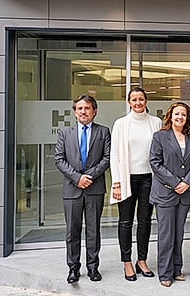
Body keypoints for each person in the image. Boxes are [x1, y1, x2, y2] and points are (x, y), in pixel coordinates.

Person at [54, 94, 111, 284]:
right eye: (79, 108)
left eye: (87, 108)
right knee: (72, 231)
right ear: (75, 112)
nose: (83, 112)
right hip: (72, 189)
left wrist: (90, 177)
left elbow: (107, 158)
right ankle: (73, 268)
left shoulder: (103, 132)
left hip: (94, 189)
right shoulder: (64, 133)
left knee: (93, 230)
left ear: (94, 111)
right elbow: (59, 159)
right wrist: (77, 178)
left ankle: (93, 267)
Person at [109, 87, 162, 281]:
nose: (138, 103)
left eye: (141, 99)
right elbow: (114, 155)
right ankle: (127, 262)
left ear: (146, 101)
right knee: (125, 221)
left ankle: (142, 259)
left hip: (149, 177)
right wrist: (116, 183)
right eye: (134, 99)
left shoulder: (155, 122)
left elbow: (160, 150)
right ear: (129, 102)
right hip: (126, 177)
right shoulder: (121, 124)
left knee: (145, 221)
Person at [149, 102, 190, 287]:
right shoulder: (160, 136)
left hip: (184, 193)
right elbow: (155, 162)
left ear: (188, 118)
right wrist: (175, 182)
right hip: (165, 192)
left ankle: (177, 269)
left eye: (184, 115)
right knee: (166, 235)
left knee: (178, 234)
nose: (180, 117)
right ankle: (165, 273)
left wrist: (187, 182)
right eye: (177, 114)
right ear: (170, 116)